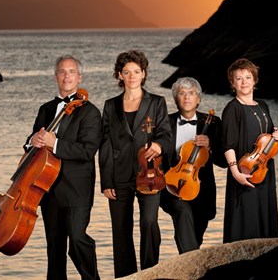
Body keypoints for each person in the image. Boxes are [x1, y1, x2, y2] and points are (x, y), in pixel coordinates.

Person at [24, 55, 102, 280]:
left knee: (77, 240)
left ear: (79, 77)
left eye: (71, 72)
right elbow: (32, 140)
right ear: (55, 77)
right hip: (47, 186)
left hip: (76, 189)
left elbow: (87, 151)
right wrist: (33, 141)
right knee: (54, 248)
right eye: (62, 71)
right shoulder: (46, 109)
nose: (66, 76)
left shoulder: (90, 112)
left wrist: (54, 143)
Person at [98, 50, 172, 277]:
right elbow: (105, 145)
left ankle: (150, 273)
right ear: (119, 75)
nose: (132, 76)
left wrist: (159, 145)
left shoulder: (157, 102)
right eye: (127, 72)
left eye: (136, 72)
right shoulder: (110, 105)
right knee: (120, 230)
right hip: (118, 175)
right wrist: (106, 181)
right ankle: (125, 276)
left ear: (144, 74)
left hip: (150, 174)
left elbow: (166, 134)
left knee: (149, 223)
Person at [221, 58, 278, 242]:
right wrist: (235, 173)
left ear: (255, 80)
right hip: (245, 171)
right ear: (232, 83)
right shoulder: (232, 109)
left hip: (265, 170)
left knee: (264, 216)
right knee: (245, 221)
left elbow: (266, 136)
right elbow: (228, 145)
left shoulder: (262, 105)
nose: (244, 82)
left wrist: (276, 136)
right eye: (238, 78)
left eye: (248, 77)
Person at [160, 77, 226, 254]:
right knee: (182, 212)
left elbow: (223, 161)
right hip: (172, 186)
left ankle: (189, 261)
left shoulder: (213, 123)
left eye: (191, 93)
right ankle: (193, 266)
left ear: (198, 99)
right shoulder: (165, 122)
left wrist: (210, 147)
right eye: (181, 93)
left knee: (195, 234)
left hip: (202, 189)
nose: (187, 97)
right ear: (175, 99)